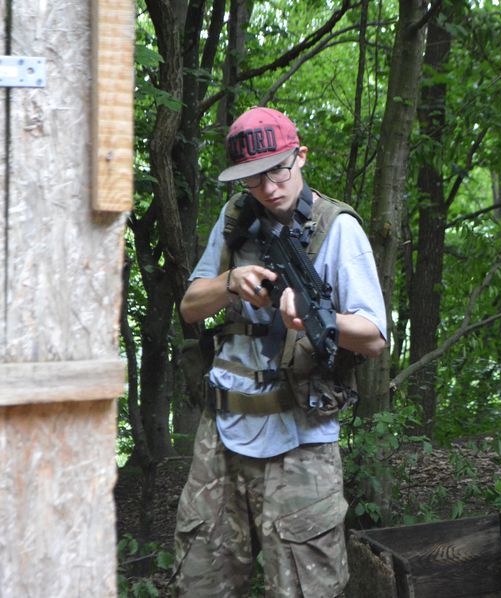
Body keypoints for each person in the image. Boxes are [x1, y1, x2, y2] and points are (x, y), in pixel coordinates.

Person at [173, 106, 387, 597]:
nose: (268, 187)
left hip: (300, 438)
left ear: (301, 157)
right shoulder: (235, 218)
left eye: (278, 170)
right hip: (222, 435)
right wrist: (230, 282)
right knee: (201, 583)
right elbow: (189, 307)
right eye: (253, 178)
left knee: (304, 587)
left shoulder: (338, 229)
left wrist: (317, 318)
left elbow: (375, 337)